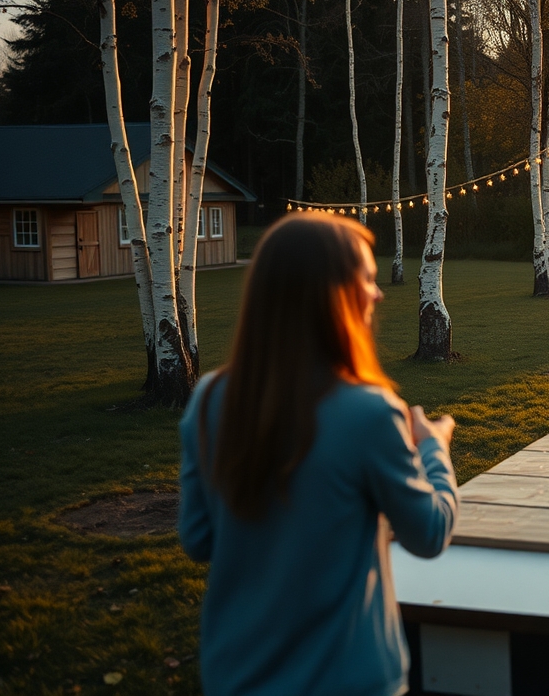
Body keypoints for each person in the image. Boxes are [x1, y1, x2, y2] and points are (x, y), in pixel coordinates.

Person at [178, 213, 459, 695]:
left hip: (236, 675)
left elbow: (199, 538)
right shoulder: (370, 414)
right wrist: (433, 447)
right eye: (367, 280)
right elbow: (430, 532)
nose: (377, 294)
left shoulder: (208, 399)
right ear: (333, 297)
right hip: (348, 679)